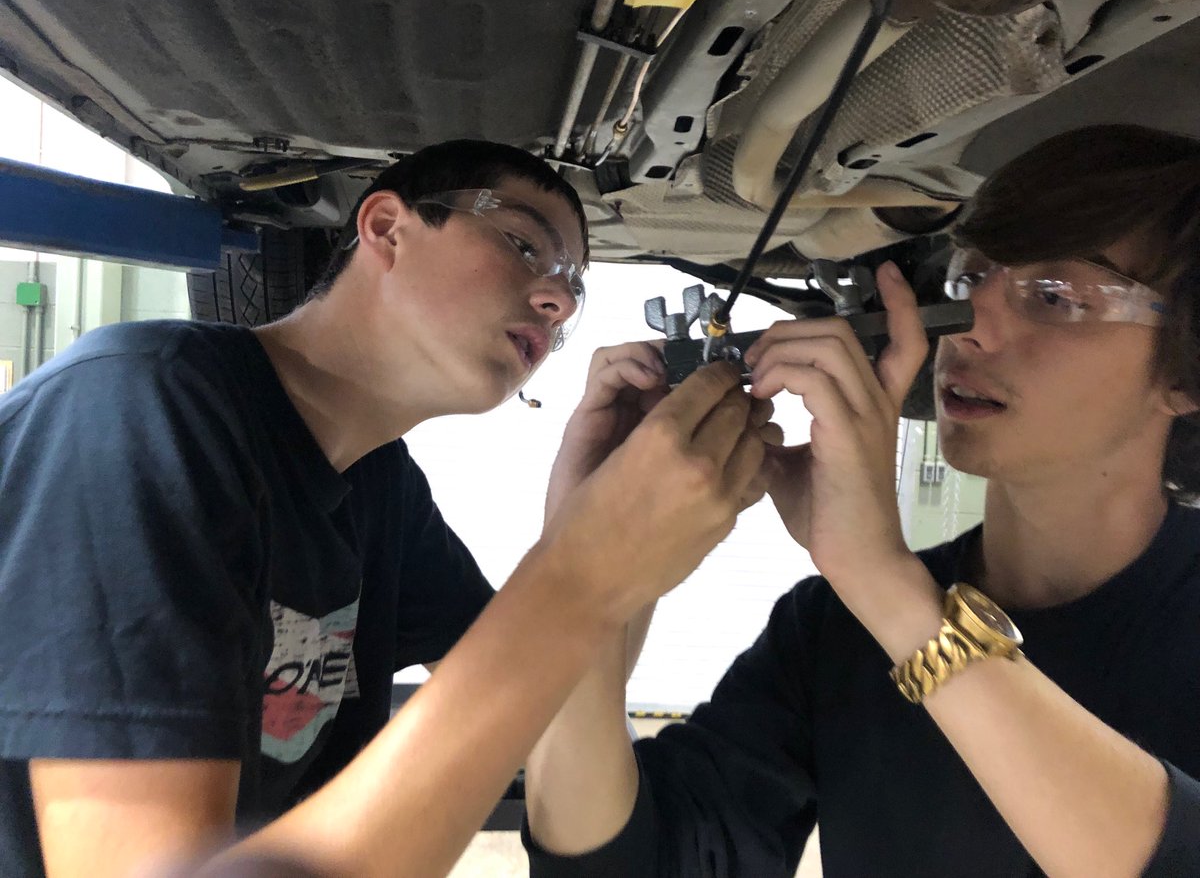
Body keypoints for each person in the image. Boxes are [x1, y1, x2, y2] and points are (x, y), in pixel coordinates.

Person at [0, 139, 771, 877]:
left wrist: (599, 516)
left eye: (574, 283)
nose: (561, 299)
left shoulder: (380, 486)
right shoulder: (139, 409)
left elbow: (549, 707)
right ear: (386, 228)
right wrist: (582, 570)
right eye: (524, 245)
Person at [523, 123, 1200, 877]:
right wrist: (587, 569)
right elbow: (626, 864)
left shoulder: (875, 601)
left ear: (1186, 374)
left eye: (1054, 296)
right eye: (969, 278)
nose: (971, 326)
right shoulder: (833, 631)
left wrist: (885, 583)